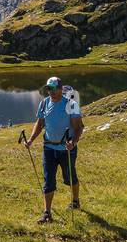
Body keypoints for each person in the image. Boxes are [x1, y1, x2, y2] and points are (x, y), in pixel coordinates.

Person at [24, 76, 83, 222]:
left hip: (66, 148)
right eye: (49, 88)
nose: (51, 91)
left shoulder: (71, 104)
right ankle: (47, 213)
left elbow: (78, 127)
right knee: (48, 179)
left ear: (61, 89)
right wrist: (31, 139)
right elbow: (40, 123)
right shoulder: (44, 103)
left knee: (69, 177)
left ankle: (75, 201)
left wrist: (73, 142)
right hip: (49, 148)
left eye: (54, 88)